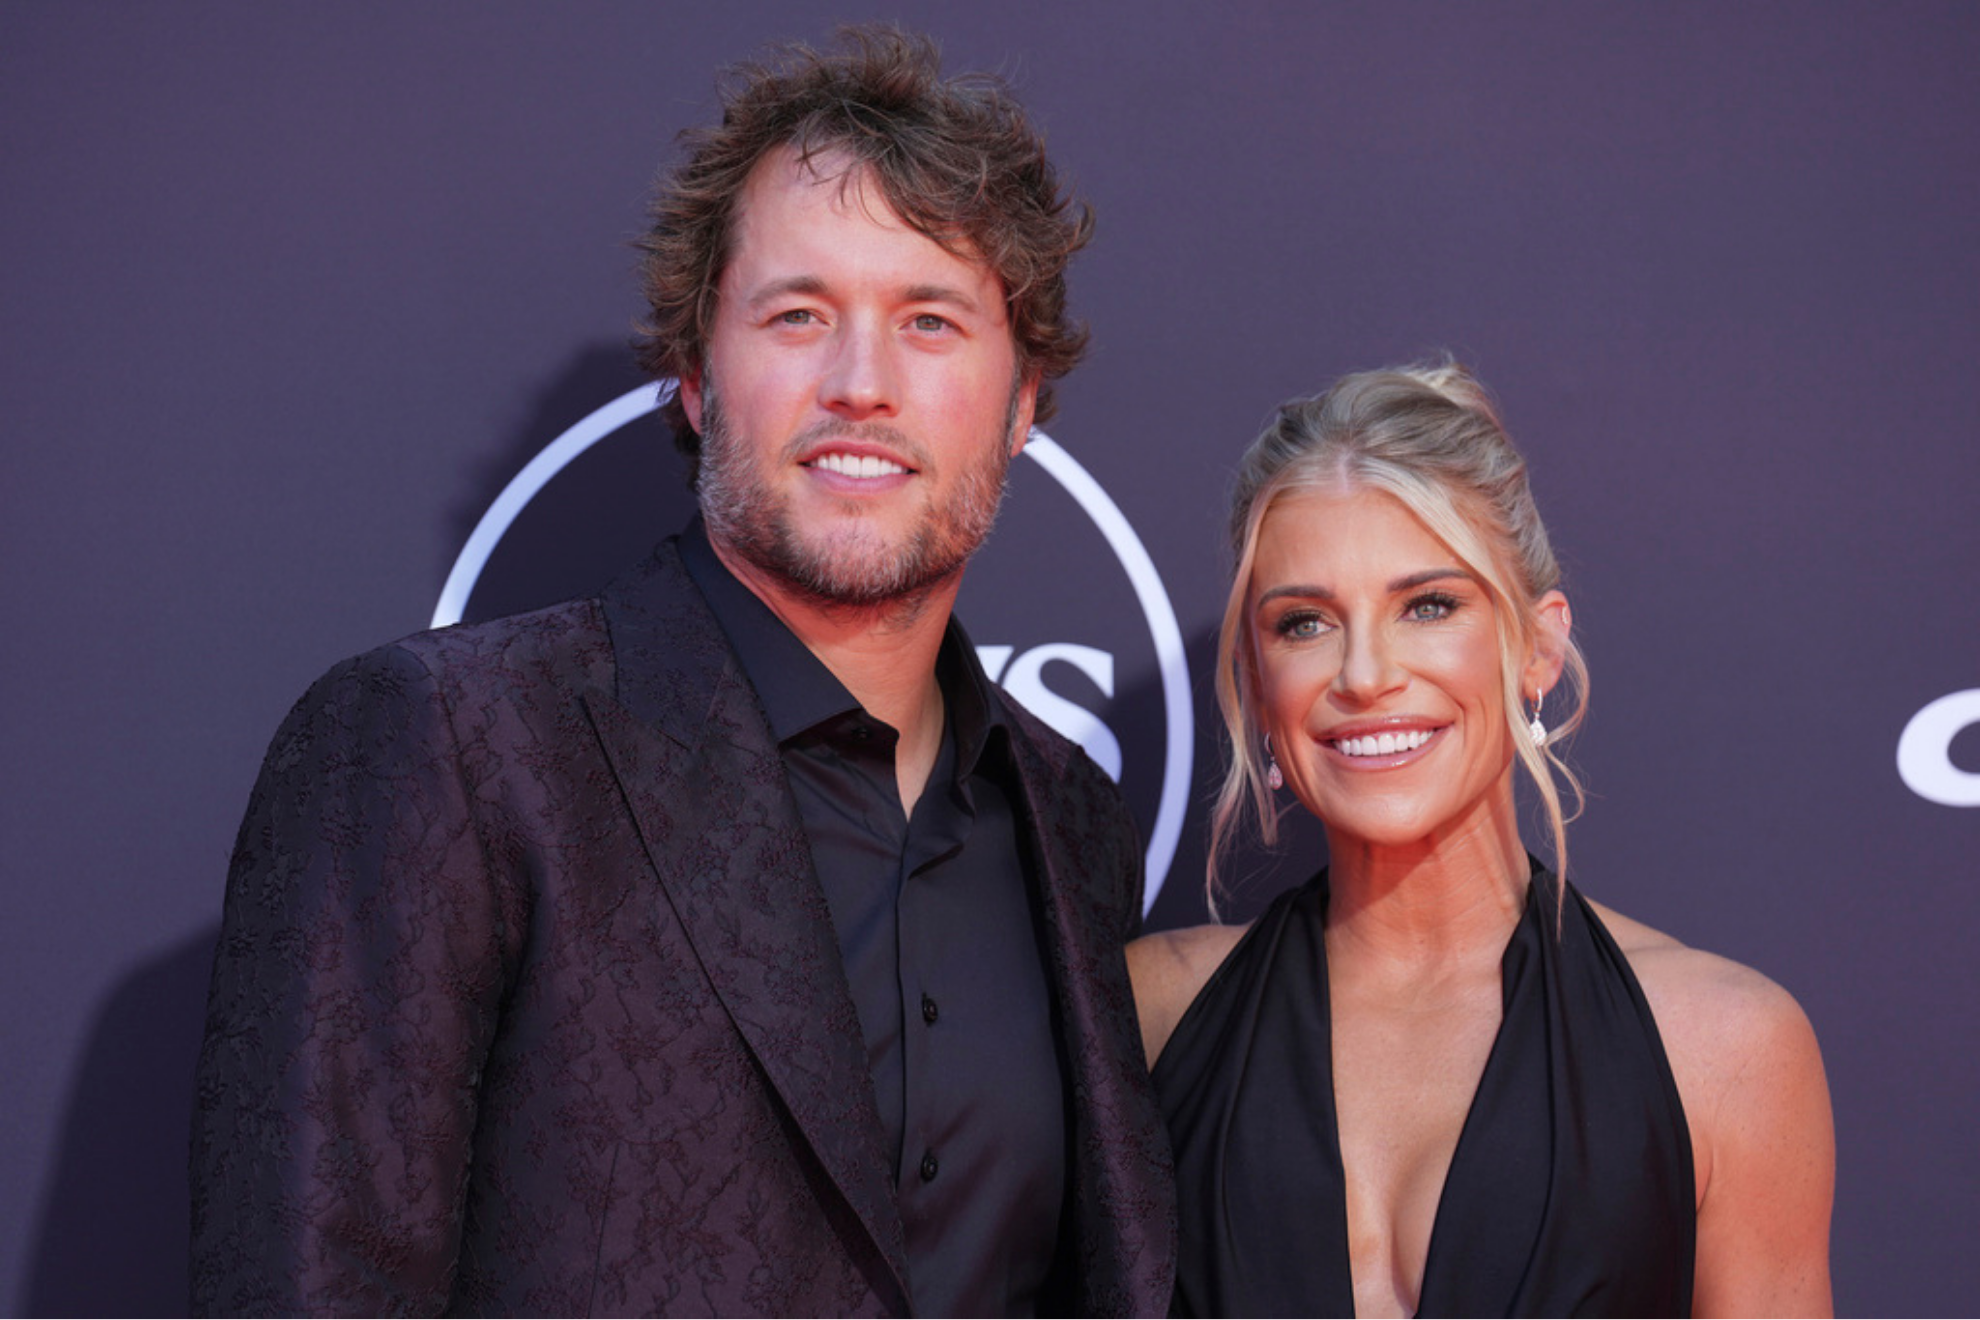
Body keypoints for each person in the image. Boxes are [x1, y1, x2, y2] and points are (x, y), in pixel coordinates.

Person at [192, 27, 1174, 1317]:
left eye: (930, 321)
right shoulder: (449, 750)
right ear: (699, 376)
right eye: (798, 314)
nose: (861, 384)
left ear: (1022, 397)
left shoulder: (1070, 824)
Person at [1128, 364, 1833, 1318]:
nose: (1366, 674)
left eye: (1429, 605)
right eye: (1305, 623)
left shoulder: (1724, 1048)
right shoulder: (1150, 1015)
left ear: (1536, 646)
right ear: (1258, 683)